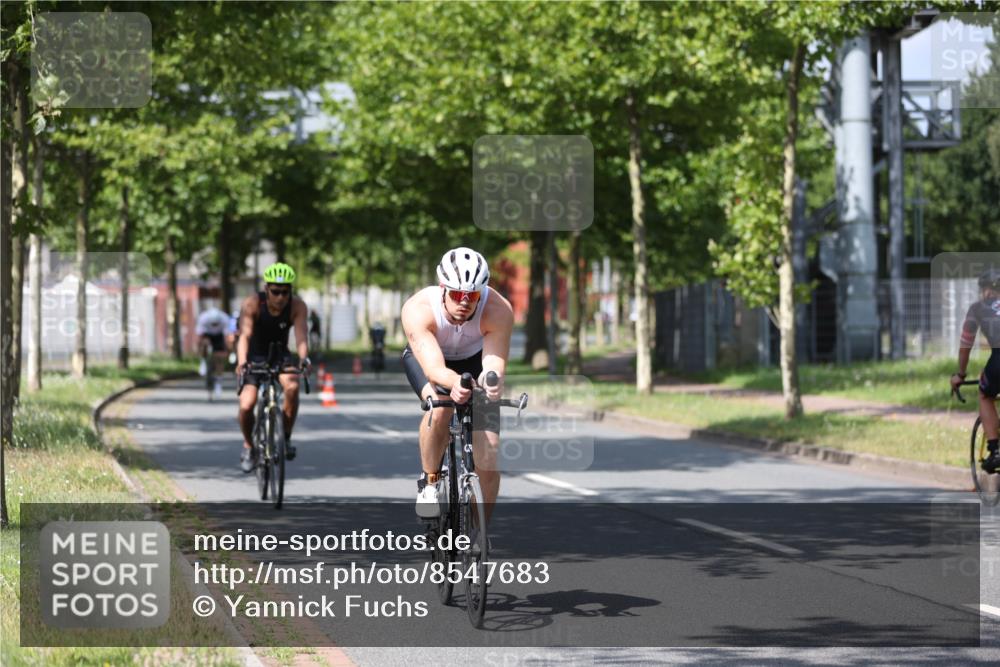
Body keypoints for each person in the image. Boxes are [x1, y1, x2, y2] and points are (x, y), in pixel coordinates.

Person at [400, 247, 513, 518]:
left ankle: (478, 533)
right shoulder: (418, 309)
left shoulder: (498, 309)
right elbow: (435, 369)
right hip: (429, 361)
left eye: (472, 295)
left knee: (489, 452)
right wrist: (455, 385)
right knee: (440, 407)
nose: (464, 301)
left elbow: (493, 364)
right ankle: (429, 482)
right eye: (457, 294)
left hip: (474, 361)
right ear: (442, 288)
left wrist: (491, 380)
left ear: (481, 293)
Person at [236, 262, 311, 472]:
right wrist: (242, 361)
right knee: (246, 404)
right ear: (266, 289)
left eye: (285, 292)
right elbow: (244, 336)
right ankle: (249, 445)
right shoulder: (252, 304)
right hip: (253, 355)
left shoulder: (297, 306)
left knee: (293, 387)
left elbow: (301, 336)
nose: (280, 297)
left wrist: (304, 359)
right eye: (276, 292)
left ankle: (285, 437)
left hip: (280, 354)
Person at [951, 268, 1000, 473]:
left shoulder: (978, 308)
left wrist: (960, 375)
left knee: (984, 393)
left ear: (986, 290)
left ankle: (995, 450)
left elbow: (965, 346)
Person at [195, 305, 230, 397]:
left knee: (219, 358)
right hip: (207, 334)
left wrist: (227, 351)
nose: (214, 326)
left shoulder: (224, 319)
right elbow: (199, 337)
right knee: (205, 343)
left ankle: (218, 382)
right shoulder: (203, 319)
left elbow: (227, 338)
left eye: (216, 324)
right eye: (213, 324)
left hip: (219, 336)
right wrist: (199, 350)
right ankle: (203, 362)